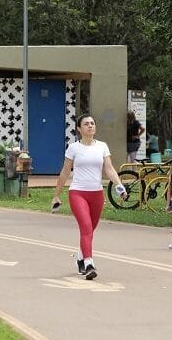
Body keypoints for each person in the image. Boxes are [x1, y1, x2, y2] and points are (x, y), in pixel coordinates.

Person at [52, 114, 128, 281]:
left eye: (92, 123)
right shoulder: (73, 148)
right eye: (86, 124)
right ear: (79, 129)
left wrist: (119, 186)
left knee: (90, 231)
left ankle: (80, 257)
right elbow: (65, 172)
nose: (90, 126)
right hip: (78, 193)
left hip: (97, 194)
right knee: (86, 227)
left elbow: (109, 169)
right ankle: (89, 264)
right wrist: (56, 195)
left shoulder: (102, 146)